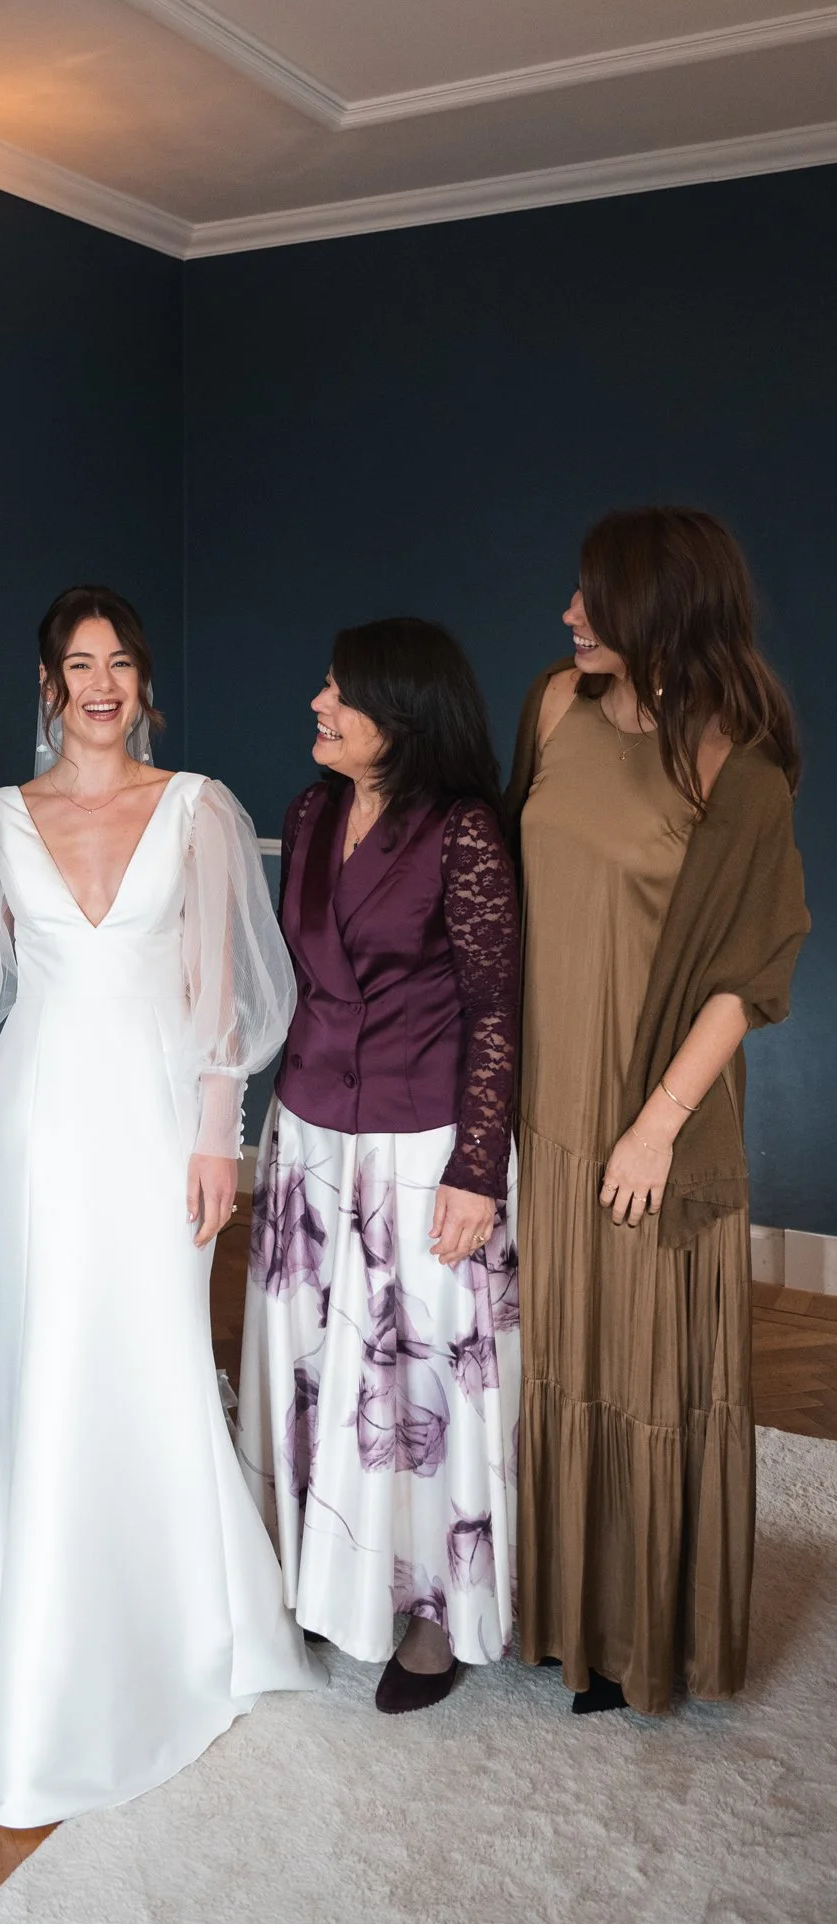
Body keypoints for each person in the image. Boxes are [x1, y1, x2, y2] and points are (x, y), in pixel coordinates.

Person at [0, 584, 317, 1828]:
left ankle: (184, 1603)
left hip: (150, 1118)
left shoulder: (196, 808)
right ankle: (3, 1590)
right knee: (32, 1346)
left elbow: (221, 990)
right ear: (45, 686)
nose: (101, 683)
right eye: (77, 664)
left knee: (153, 1345)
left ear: (141, 682)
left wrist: (215, 1137)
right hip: (31, 1119)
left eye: (119, 662)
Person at [513, 508, 807, 1716]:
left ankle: (644, 1636)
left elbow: (749, 971)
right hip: (544, 1095)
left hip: (650, 1112)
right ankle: (558, 1616)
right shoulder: (552, 710)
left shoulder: (735, 765)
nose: (568, 616)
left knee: (640, 1370)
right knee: (555, 1351)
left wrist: (655, 1123)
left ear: (656, 609)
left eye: (590, 600)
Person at [237, 620, 520, 1713]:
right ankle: (315, 1579)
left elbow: (495, 1008)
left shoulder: (461, 834)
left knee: (411, 1384)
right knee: (313, 1367)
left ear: (399, 719)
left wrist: (478, 1169)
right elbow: (290, 976)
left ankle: (427, 1614)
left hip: (421, 1148)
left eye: (338, 692)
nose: (316, 701)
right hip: (308, 1136)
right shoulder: (308, 813)